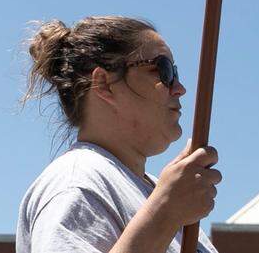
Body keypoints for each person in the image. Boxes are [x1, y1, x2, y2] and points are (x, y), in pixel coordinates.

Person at [15, 16, 221, 253]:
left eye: (174, 72)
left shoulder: (151, 191)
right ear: (104, 83)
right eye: (163, 70)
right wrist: (165, 212)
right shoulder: (76, 184)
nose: (179, 88)